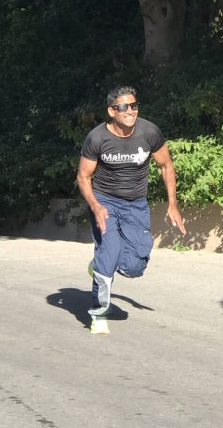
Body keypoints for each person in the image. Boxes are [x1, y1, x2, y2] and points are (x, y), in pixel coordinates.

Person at [77, 85, 186, 317]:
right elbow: (83, 176)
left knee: (134, 267)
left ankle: (98, 266)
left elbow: (166, 166)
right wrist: (95, 206)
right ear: (111, 111)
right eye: (123, 107)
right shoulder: (97, 137)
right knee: (109, 252)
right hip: (105, 202)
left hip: (136, 204)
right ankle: (99, 310)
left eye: (134, 105)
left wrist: (173, 204)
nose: (130, 111)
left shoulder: (149, 132)